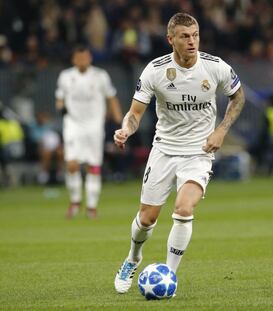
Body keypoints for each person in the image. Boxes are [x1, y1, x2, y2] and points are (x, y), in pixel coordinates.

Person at [113, 12, 245, 294]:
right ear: (170, 39)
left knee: (184, 209)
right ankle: (132, 258)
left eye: (195, 35)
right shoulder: (155, 71)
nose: (192, 41)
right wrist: (126, 130)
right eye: (185, 36)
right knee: (146, 219)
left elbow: (238, 96)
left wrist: (221, 130)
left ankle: (168, 276)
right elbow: (135, 113)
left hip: (199, 152)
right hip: (164, 150)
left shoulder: (215, 67)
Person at [55, 46, 122, 219]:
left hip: (94, 125)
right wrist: (60, 107)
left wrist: (118, 117)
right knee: (71, 163)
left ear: (90, 58)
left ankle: (91, 206)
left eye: (85, 58)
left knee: (93, 166)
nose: (82, 61)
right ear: (74, 60)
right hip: (73, 124)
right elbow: (60, 99)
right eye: (79, 58)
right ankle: (75, 201)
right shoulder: (65, 76)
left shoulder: (100, 76)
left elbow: (111, 96)